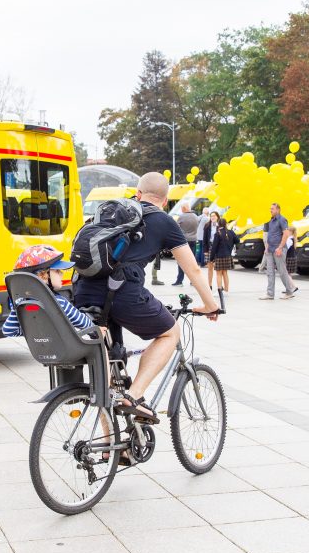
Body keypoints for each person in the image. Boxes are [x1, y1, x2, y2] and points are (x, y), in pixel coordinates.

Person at [75, 172, 220, 422]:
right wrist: (210, 305)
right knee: (170, 332)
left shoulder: (112, 213)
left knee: (107, 367)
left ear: (138, 194)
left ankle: (114, 448)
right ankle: (134, 396)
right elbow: (193, 269)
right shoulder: (163, 220)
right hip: (120, 291)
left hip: (84, 290)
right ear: (164, 201)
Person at [2, 245, 91, 337]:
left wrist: (31, 332)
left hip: (39, 350)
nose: (61, 273)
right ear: (43, 275)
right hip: (70, 350)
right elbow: (87, 325)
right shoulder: (59, 303)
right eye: (57, 270)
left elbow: (8, 331)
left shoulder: (21, 303)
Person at [260, 203, 299, 300]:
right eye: (270, 208)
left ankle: (289, 292)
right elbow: (270, 235)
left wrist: (280, 247)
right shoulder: (271, 221)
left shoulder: (282, 219)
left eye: (272, 209)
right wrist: (267, 247)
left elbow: (286, 234)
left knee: (282, 271)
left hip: (279, 249)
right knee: (270, 272)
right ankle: (270, 294)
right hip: (270, 249)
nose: (270, 210)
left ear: (278, 209)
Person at [173, 204, 199, 286]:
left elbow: (176, 228)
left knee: (181, 261)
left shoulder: (182, 217)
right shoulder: (195, 216)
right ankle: (193, 281)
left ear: (184, 209)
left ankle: (179, 280)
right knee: (192, 261)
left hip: (184, 241)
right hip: (194, 240)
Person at [210, 217, 238, 293]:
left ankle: (219, 290)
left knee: (218, 274)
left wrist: (211, 258)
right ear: (226, 224)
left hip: (219, 256)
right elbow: (237, 240)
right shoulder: (230, 232)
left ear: (218, 224)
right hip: (228, 255)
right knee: (225, 273)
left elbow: (214, 247)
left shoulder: (217, 233)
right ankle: (226, 289)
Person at [202, 211, 221, 288]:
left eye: (214, 216)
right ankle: (209, 285)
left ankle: (219, 286)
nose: (212, 217)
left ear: (217, 217)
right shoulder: (207, 226)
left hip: (218, 248)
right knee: (210, 267)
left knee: (218, 268)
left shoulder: (220, 226)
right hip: (210, 247)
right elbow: (204, 239)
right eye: (211, 216)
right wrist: (205, 250)